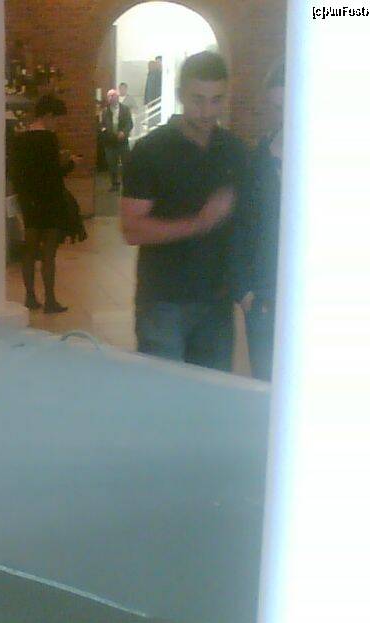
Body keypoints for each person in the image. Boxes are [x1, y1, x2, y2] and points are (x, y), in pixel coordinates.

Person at [121, 51, 248, 371]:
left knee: (212, 394)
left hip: (217, 301)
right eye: (197, 99)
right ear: (180, 94)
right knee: (165, 394)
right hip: (163, 301)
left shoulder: (233, 150)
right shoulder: (150, 151)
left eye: (216, 100)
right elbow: (132, 229)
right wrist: (200, 222)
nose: (207, 111)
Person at [9, 94, 84, 314]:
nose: (57, 124)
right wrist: (72, 163)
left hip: (29, 201)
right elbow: (53, 174)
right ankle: (50, 300)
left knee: (29, 250)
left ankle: (30, 296)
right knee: (49, 253)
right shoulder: (49, 139)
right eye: (57, 119)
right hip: (50, 200)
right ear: (49, 115)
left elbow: (16, 172)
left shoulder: (20, 138)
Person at [236, 62, 284, 381]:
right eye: (278, 108)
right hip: (265, 297)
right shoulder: (257, 161)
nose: (285, 118)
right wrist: (245, 291)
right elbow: (241, 227)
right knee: (266, 383)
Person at [101, 89, 134, 191]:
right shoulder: (105, 111)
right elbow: (102, 125)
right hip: (110, 142)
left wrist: (124, 132)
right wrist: (105, 132)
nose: (111, 98)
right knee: (112, 165)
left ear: (117, 97)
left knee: (126, 164)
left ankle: (127, 185)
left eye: (113, 96)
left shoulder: (125, 109)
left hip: (122, 141)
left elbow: (129, 123)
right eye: (109, 96)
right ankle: (115, 184)